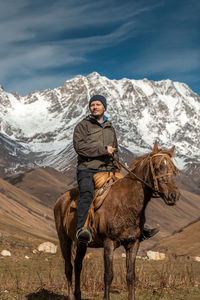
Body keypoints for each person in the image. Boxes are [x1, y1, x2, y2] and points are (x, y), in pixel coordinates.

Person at [73, 94, 158, 243]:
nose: (95, 107)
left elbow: (115, 150)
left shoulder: (110, 127)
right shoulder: (82, 126)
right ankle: (82, 229)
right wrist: (104, 149)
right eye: (92, 105)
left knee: (132, 191)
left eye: (98, 104)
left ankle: (140, 227)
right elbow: (80, 147)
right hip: (87, 169)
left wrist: (116, 165)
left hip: (109, 169)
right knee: (86, 193)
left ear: (104, 107)